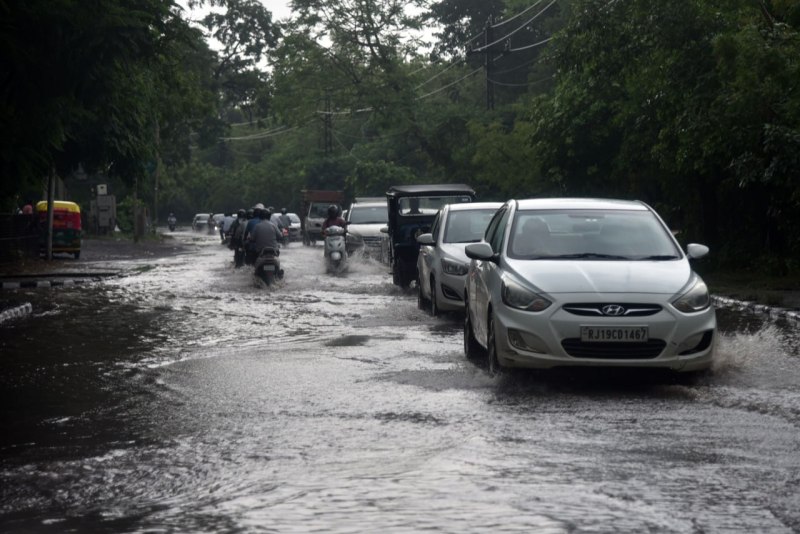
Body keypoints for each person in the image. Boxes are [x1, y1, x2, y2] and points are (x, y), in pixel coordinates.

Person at [248, 207, 284, 274]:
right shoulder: (273, 225)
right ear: (269, 216)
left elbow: (252, 239)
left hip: (260, 252)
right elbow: (280, 236)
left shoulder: (257, 226)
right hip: (274, 252)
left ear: (260, 216)